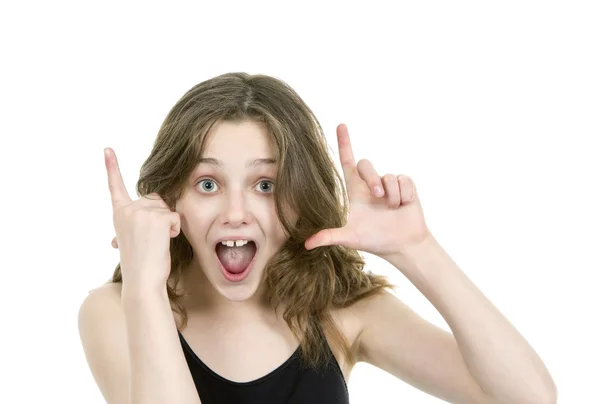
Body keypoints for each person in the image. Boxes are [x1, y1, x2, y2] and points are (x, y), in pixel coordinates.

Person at [78, 72, 557, 404]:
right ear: (171, 199)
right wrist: (144, 282)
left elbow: (527, 397)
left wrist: (415, 248)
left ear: (296, 197)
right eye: (208, 184)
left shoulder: (338, 309)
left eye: (266, 185)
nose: (237, 213)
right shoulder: (116, 310)